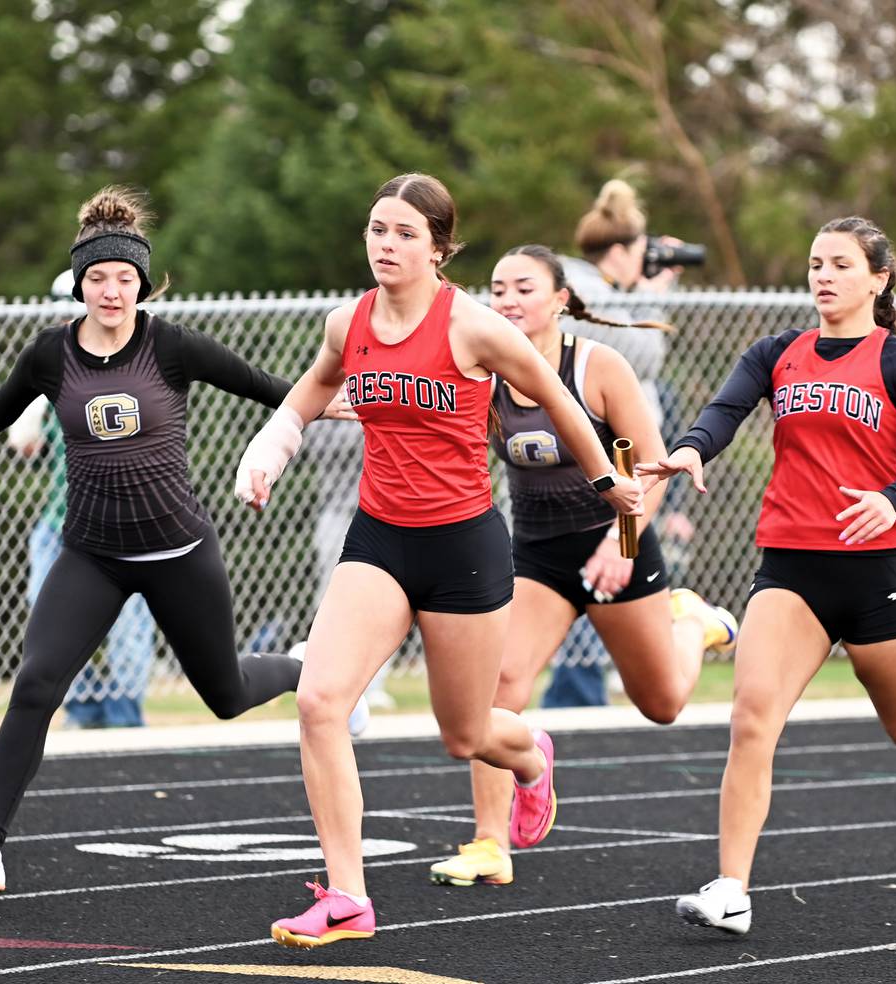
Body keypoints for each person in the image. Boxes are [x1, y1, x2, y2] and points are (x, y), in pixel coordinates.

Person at [0, 185, 355, 899]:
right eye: (98, 278)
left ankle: (301, 665)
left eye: (124, 279)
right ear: (80, 283)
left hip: (177, 551)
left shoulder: (171, 345)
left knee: (226, 694)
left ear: (142, 283)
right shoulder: (52, 354)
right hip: (92, 554)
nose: (110, 291)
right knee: (36, 683)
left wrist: (332, 406)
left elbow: (265, 386)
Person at [235, 173, 642, 948]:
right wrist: (269, 451)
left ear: (439, 249)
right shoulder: (345, 322)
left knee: (463, 735)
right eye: (376, 230)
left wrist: (606, 481)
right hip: (380, 539)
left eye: (404, 235)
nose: (385, 246)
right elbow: (308, 394)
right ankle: (348, 897)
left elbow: (557, 399)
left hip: (464, 547)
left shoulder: (476, 328)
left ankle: (530, 754)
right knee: (321, 701)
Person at [639, 217, 896, 936]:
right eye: (815, 263)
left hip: (875, 573)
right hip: (791, 569)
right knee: (752, 720)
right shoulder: (778, 353)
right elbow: (724, 411)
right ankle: (731, 889)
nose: (823, 276)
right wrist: (692, 449)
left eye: (841, 264)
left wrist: (891, 499)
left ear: (877, 278)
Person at [427, 244, 737, 890]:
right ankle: (490, 838)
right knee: (498, 684)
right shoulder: (483, 376)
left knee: (662, 702)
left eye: (523, 288)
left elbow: (653, 473)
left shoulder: (600, 368)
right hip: (538, 555)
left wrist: (620, 545)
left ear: (561, 299)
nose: (507, 300)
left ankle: (695, 624)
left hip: (615, 545)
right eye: (497, 289)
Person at [541, 179, 700, 707]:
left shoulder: (612, 291)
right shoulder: (587, 291)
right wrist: (653, 296)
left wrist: (651, 290)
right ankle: (580, 689)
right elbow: (645, 353)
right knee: (589, 579)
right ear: (618, 251)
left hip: (623, 467)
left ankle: (684, 632)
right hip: (578, 464)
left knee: (660, 696)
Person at [8, 393, 157, 728]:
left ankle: (125, 711)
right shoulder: (60, 385)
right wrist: (34, 406)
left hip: (119, 523)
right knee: (48, 614)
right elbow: (25, 446)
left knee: (126, 621)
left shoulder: (133, 381)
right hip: (60, 522)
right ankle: (83, 704)